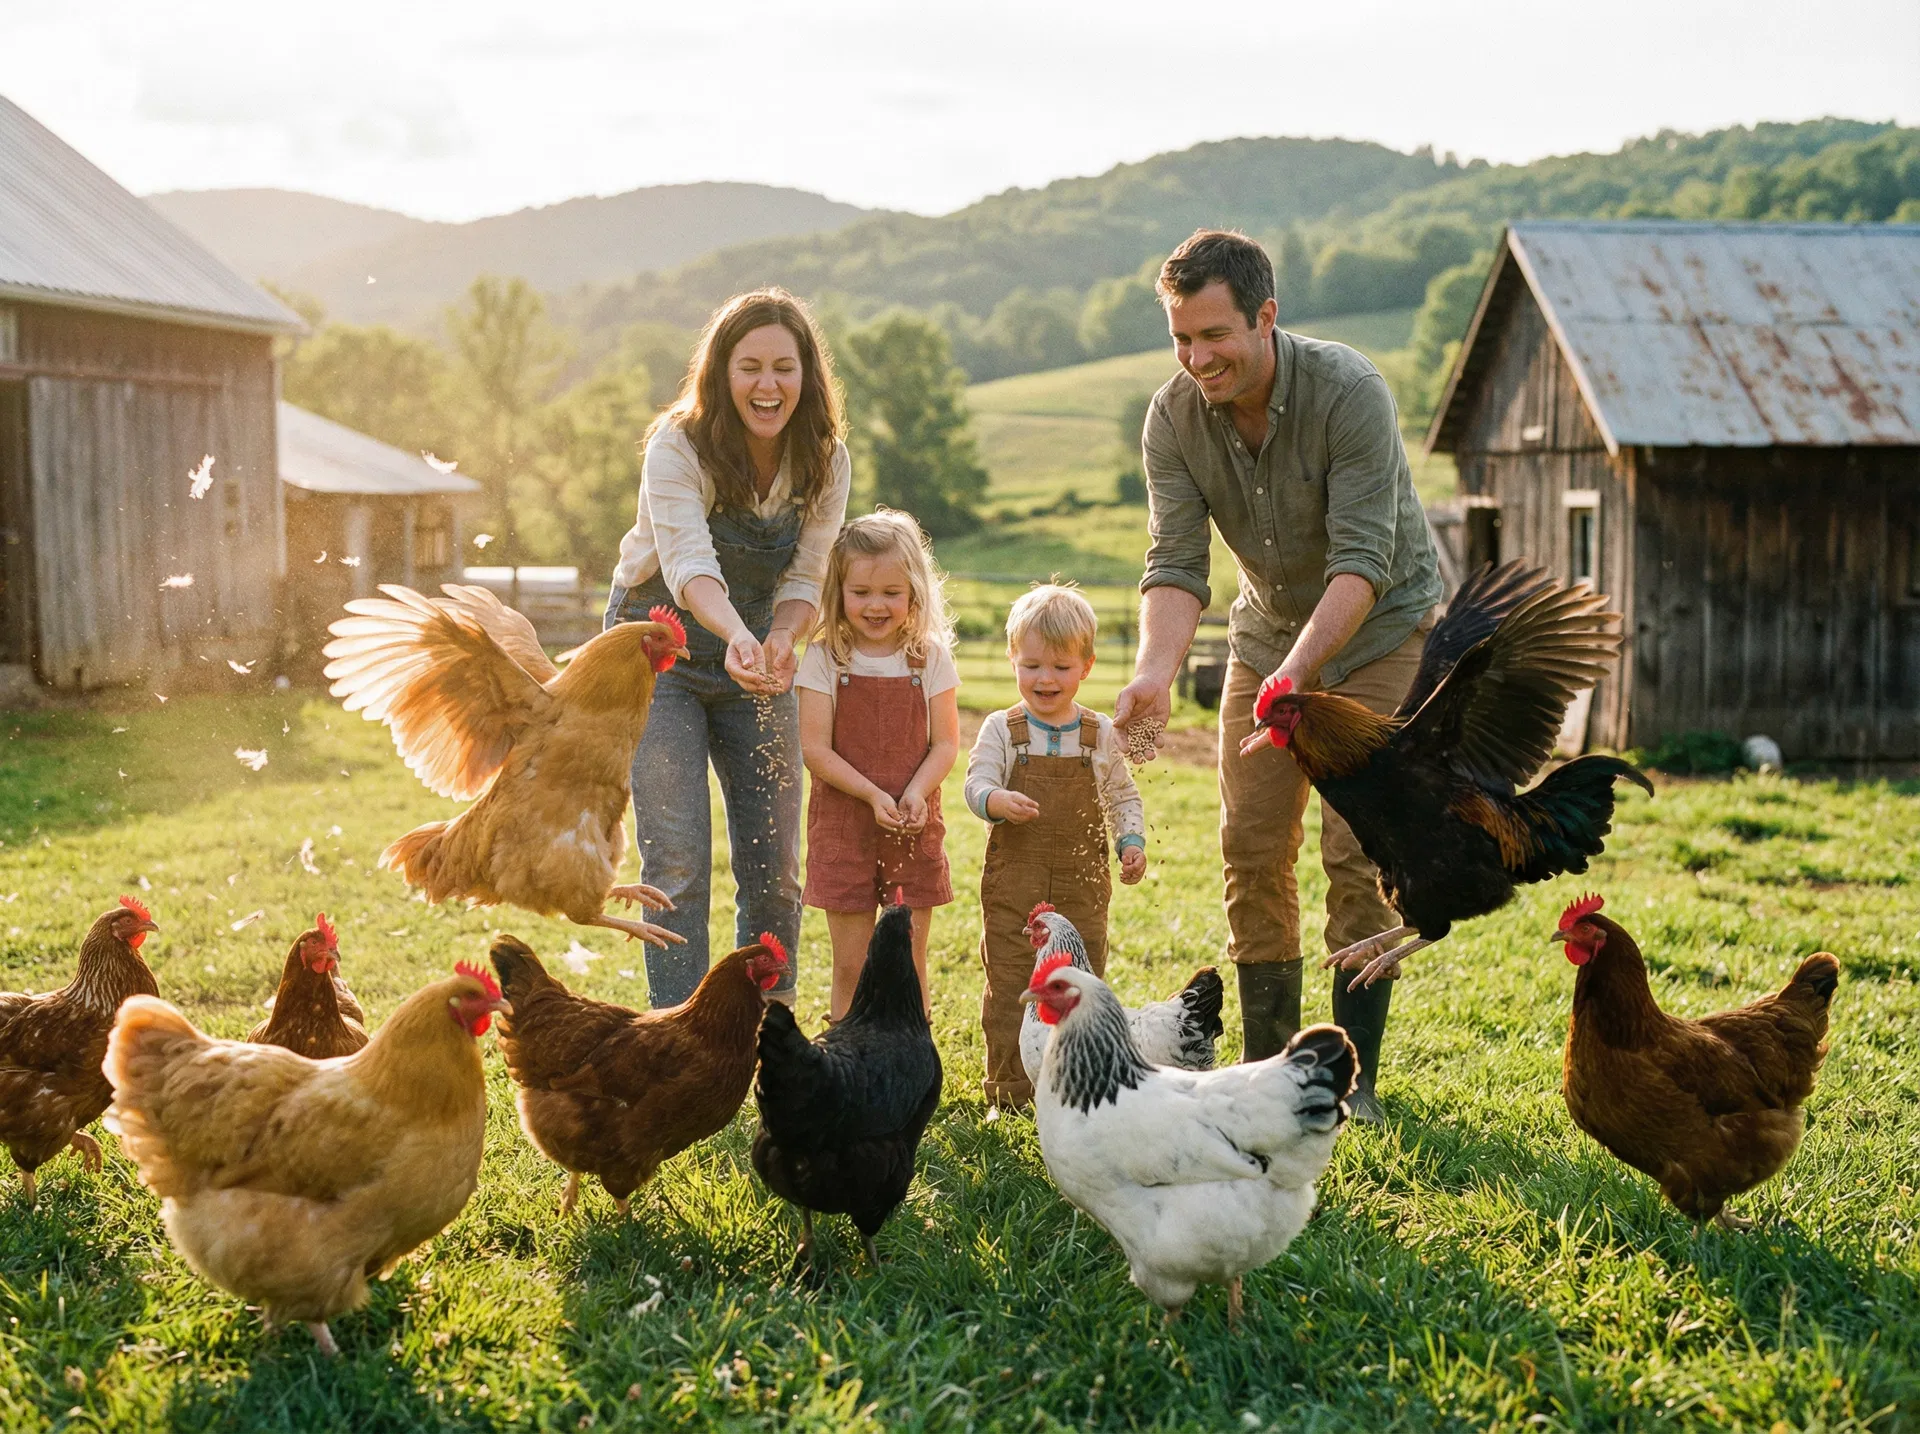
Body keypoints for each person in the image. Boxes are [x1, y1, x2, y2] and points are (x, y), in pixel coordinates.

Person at [1112, 229, 1442, 1122]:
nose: (1197, 359)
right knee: (1252, 846)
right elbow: (1176, 563)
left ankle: (1350, 1080)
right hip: (1266, 636)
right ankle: (1269, 1072)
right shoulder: (1173, 418)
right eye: (1181, 339)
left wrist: (1297, 678)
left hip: (1379, 635)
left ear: (1266, 316)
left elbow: (1363, 561)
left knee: (1357, 847)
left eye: (1214, 335)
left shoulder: (1350, 392)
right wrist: (1154, 671)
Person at [604, 289, 851, 1008]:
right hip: (659, 654)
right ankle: (679, 1041)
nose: (767, 385)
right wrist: (740, 633)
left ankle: (769, 1031)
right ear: (721, 373)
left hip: (759, 656)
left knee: (774, 864)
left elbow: (807, 574)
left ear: (807, 375)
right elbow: (688, 565)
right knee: (677, 862)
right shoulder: (676, 447)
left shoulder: (825, 460)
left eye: (783, 367)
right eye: (749, 367)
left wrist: (780, 637)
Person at [966, 584, 1147, 1108]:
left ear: (1086, 666)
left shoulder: (1100, 733)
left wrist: (1130, 841)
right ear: (1012, 660)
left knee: (1080, 985)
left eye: (1061, 667)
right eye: (1031, 666)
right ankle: (1009, 1092)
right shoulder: (1002, 729)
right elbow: (975, 784)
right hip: (1014, 887)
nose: (1045, 679)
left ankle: (1076, 1086)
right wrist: (997, 800)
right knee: (1009, 984)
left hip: (1081, 886)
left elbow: (1122, 796)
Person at [797, 509, 959, 1022]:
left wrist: (916, 792)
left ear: (914, 592)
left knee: (908, 962)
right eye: (861, 591)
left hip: (912, 824)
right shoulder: (823, 658)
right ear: (838, 592)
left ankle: (912, 1055)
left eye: (891, 592)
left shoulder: (930, 658)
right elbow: (815, 750)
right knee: (853, 965)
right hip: (844, 828)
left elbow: (945, 744)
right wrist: (871, 794)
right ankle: (847, 1056)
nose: (875, 605)